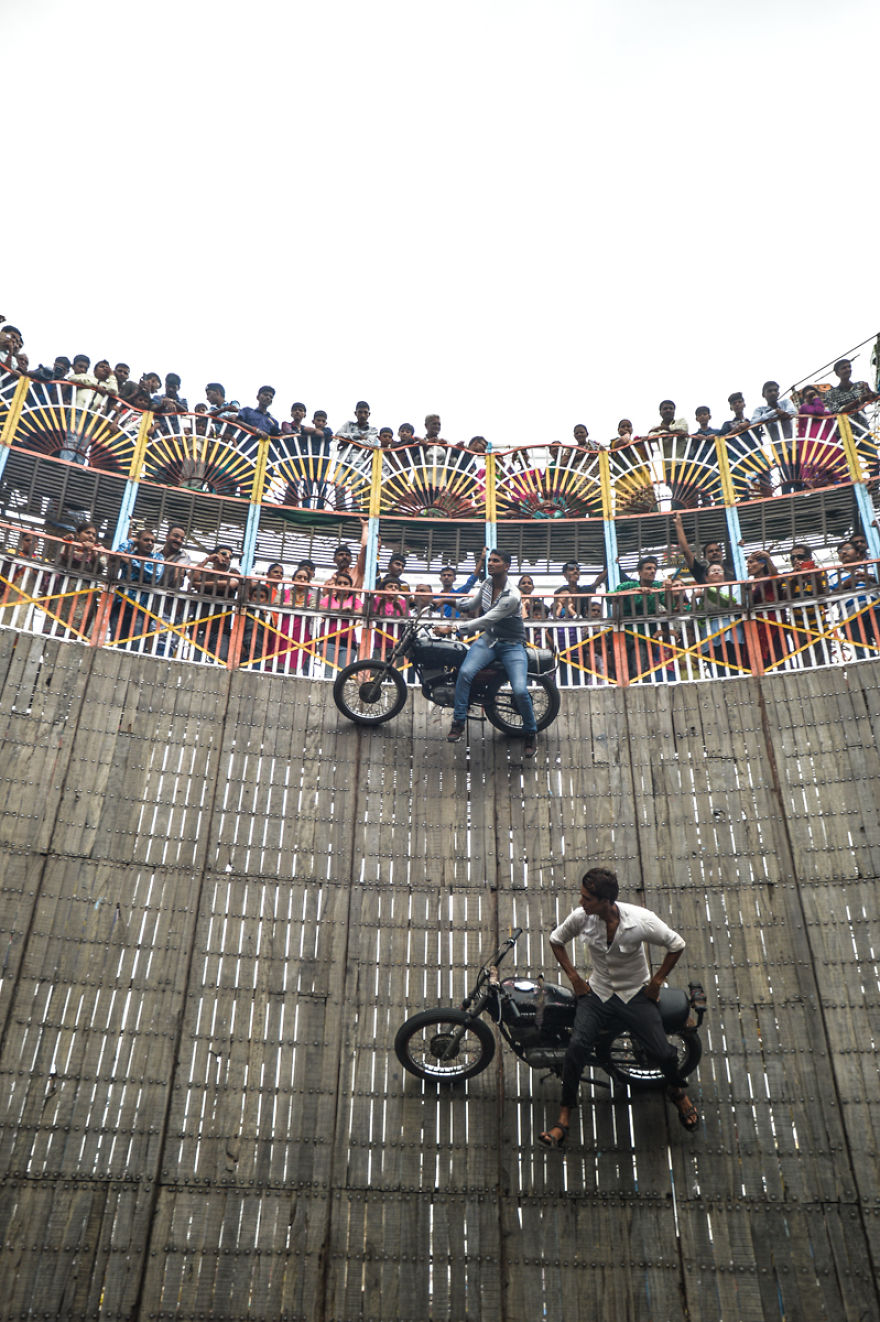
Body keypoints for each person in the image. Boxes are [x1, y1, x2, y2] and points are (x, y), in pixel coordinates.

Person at [537, 867, 698, 1149]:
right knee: (576, 1049)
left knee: (662, 1052)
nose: (581, 903)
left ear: (606, 900)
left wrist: (657, 981)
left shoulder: (641, 921)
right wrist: (575, 979)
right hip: (597, 993)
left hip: (635, 993)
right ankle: (563, 1118)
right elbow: (556, 940)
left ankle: (677, 1092)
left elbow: (676, 944)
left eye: (587, 899)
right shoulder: (582, 918)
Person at [439, 548, 538, 755]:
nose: (490, 563)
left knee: (520, 690)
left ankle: (530, 732)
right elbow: (470, 604)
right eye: (489, 560)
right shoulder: (486, 584)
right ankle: (458, 721)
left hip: (512, 645)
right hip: (489, 640)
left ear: (507, 566)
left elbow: (486, 619)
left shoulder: (512, 595)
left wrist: (454, 629)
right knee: (465, 673)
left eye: (496, 561)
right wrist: (444, 601)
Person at [672, 512, 737, 583]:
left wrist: (740, 543)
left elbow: (735, 543)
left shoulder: (731, 566)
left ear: (721, 553)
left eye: (717, 550)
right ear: (704, 557)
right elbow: (685, 551)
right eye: (710, 551)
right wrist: (678, 525)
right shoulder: (700, 571)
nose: (715, 552)